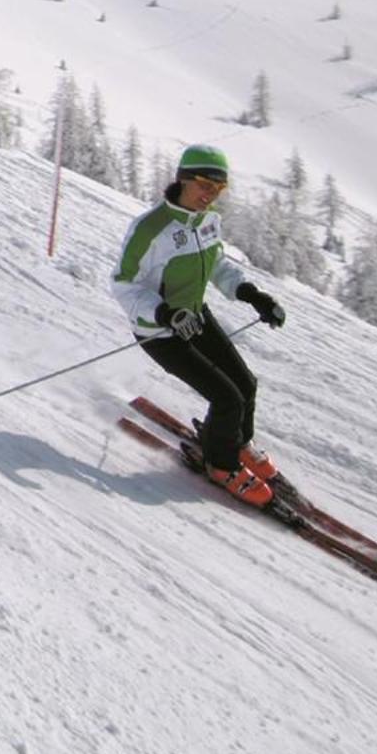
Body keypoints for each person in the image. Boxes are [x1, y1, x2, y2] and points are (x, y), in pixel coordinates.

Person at [110, 144, 288, 505]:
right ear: (183, 179)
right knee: (227, 398)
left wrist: (252, 294)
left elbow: (217, 265)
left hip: (195, 314)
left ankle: (237, 444)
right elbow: (124, 284)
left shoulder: (207, 222)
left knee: (246, 385)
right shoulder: (150, 229)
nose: (210, 195)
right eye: (205, 184)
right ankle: (221, 464)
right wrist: (163, 314)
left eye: (218, 189)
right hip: (160, 331)